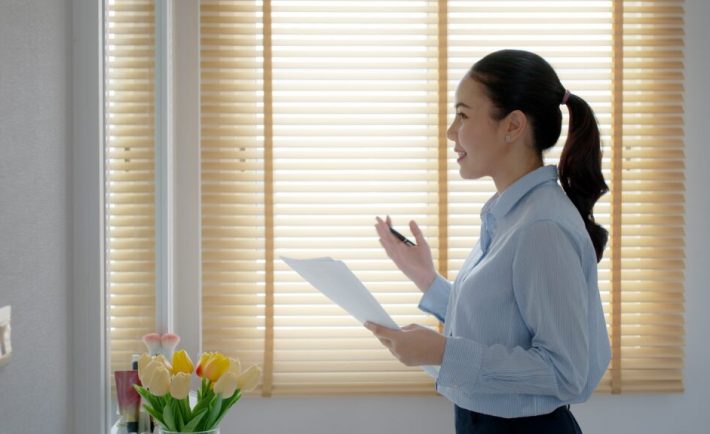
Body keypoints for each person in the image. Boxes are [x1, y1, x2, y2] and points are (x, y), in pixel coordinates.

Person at [365, 49, 611, 434]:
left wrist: (443, 352)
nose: (450, 131)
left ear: (512, 126)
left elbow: (565, 372)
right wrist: (428, 280)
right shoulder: (510, 214)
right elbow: (499, 326)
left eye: (463, 115)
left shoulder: (541, 227)